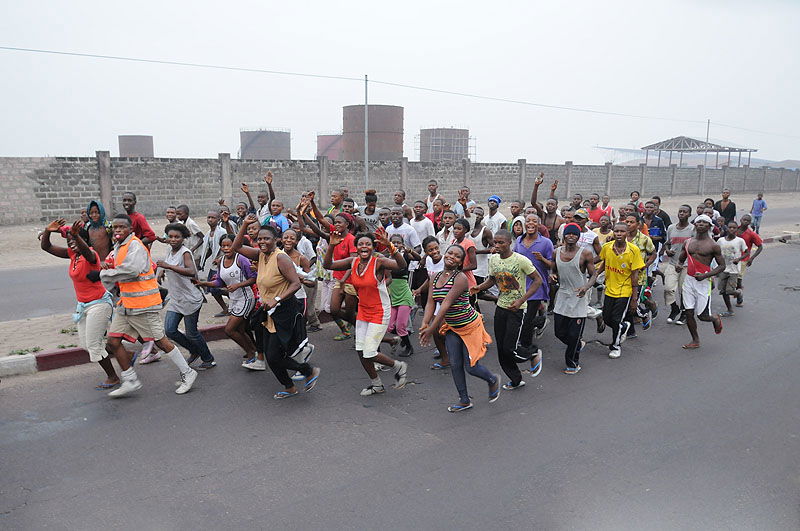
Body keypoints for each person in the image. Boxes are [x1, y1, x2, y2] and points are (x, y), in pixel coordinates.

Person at [98, 213, 198, 397]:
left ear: (130, 229)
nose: (118, 230)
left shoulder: (135, 245)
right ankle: (130, 379)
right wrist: (107, 268)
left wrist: (105, 275)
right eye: (115, 227)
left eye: (122, 227)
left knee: (161, 341)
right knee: (112, 341)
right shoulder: (119, 246)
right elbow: (113, 265)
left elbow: (132, 271)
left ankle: (188, 372)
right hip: (126, 304)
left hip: (144, 305)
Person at [232, 218, 320, 398]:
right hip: (268, 312)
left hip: (284, 311)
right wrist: (243, 225)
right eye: (260, 239)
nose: (262, 242)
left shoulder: (281, 257)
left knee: (273, 356)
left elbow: (296, 284)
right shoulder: (260, 255)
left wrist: (277, 299)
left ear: (276, 240)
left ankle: (307, 371)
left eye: (267, 239)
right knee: (271, 355)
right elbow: (237, 247)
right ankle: (291, 385)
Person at [323, 228, 409, 396]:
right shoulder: (352, 261)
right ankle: (376, 384)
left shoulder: (379, 262)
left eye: (368, 244)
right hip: (363, 311)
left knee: (370, 352)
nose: (364, 247)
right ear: (356, 248)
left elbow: (401, 265)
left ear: (373, 247)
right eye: (361, 244)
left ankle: (398, 366)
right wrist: (331, 246)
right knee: (360, 350)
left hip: (380, 311)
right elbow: (328, 265)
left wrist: (390, 246)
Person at [40, 218, 119, 389]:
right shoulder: (72, 255)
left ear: (82, 240)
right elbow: (46, 247)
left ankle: (113, 377)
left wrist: (76, 237)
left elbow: (87, 253)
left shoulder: (91, 255)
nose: (72, 244)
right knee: (86, 345)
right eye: (70, 242)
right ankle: (124, 353)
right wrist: (47, 230)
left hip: (99, 304)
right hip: (83, 306)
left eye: (75, 240)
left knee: (94, 345)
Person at [420, 244, 499, 412]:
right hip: (452, 327)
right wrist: (424, 324)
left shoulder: (460, 278)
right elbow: (431, 302)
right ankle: (464, 400)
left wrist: (432, 329)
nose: (451, 257)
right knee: (455, 364)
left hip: (469, 326)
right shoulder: (435, 276)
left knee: (471, 367)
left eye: (457, 256)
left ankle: (492, 380)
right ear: (444, 254)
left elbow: (446, 305)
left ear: (460, 262)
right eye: (449, 253)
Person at [472, 230, 542, 390]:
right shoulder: (494, 259)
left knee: (510, 348)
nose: (497, 246)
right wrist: (479, 287)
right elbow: (492, 279)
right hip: (501, 307)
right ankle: (516, 379)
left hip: (517, 309)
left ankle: (533, 353)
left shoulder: (521, 260)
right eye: (495, 242)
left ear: (510, 242)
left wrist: (521, 300)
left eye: (501, 242)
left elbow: (538, 281)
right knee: (502, 349)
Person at [158, 223, 216, 370]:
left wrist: (168, 267)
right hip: (177, 299)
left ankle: (208, 359)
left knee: (192, 333)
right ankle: (194, 350)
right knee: (170, 330)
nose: (173, 239)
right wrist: (161, 272)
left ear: (183, 238)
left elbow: (191, 271)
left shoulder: (185, 252)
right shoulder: (170, 251)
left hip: (190, 298)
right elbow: (169, 264)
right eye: (170, 236)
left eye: (177, 237)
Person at [194, 233, 259, 362]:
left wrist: (238, 285)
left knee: (229, 330)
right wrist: (204, 283)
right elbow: (219, 282)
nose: (226, 248)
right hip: (234, 299)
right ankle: (254, 350)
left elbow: (254, 278)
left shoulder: (241, 259)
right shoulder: (221, 261)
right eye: (223, 246)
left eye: (229, 245)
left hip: (246, 298)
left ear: (235, 245)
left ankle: (252, 353)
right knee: (240, 329)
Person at [551, 223, 598, 374]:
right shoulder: (556, 252)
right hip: (563, 296)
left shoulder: (585, 254)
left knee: (573, 334)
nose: (571, 236)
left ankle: (573, 363)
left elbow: (594, 275)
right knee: (559, 332)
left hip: (579, 296)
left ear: (578, 237)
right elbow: (553, 270)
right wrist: (552, 276)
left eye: (574, 234)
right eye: (568, 234)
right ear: (564, 235)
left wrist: (586, 287)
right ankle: (577, 344)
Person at [596, 222, 645, 359]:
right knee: (606, 318)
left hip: (625, 290)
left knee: (616, 319)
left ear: (627, 233)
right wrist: (595, 276)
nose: (618, 234)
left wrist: (634, 298)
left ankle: (616, 346)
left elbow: (635, 275)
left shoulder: (634, 250)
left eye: (622, 231)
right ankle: (624, 327)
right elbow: (604, 263)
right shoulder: (606, 247)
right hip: (609, 289)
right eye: (616, 231)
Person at [513, 213, 554, 374]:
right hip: (520, 286)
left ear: (539, 224)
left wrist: (542, 259)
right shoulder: (518, 241)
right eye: (528, 221)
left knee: (527, 319)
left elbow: (552, 264)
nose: (530, 223)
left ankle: (528, 347)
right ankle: (541, 321)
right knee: (523, 317)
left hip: (537, 286)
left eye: (534, 221)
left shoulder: (545, 243)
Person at [676, 215, 725, 349]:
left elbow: (722, 266)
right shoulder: (688, 242)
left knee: (703, 316)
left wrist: (705, 276)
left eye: (704, 222)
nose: (701, 224)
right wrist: (679, 265)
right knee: (688, 312)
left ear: (709, 226)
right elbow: (681, 258)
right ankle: (695, 340)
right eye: (699, 222)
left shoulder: (713, 245)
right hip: (689, 280)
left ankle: (714, 318)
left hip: (703, 282)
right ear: (695, 225)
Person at [413, 236, 450, 369]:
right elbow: (430, 279)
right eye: (430, 250)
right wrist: (419, 290)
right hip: (435, 299)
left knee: (442, 330)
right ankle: (445, 357)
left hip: (448, 300)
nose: (434, 252)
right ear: (426, 251)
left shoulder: (447, 261)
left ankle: (456, 352)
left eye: (436, 248)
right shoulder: (428, 260)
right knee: (436, 331)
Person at [387, 234, 418, 357]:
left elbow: (418, 258)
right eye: (393, 242)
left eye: (398, 242)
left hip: (404, 295)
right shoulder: (386, 258)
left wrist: (410, 250)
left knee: (400, 326)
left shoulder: (404, 256)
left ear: (402, 244)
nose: (395, 244)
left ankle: (409, 348)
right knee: (390, 327)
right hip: (392, 296)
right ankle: (405, 335)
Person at [662, 205, 694, 324]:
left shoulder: (693, 229)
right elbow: (667, 243)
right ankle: (674, 308)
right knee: (668, 288)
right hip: (672, 263)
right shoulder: (671, 228)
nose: (681, 213)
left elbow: (696, 246)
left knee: (683, 290)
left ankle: (684, 313)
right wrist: (667, 250)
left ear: (689, 215)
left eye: (685, 212)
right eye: (680, 211)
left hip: (686, 265)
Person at [199, 210, 228, 317]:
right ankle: (226, 308)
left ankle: (234, 302)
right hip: (214, 265)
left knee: (220, 288)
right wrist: (203, 260)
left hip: (223, 264)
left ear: (218, 220)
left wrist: (221, 258)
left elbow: (228, 247)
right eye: (209, 217)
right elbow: (210, 249)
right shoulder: (208, 234)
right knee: (213, 289)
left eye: (213, 217)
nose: (210, 219)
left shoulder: (222, 232)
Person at [717, 220, 747, 316]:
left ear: (737, 229)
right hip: (723, 268)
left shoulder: (740, 241)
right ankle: (730, 310)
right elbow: (716, 253)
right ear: (727, 228)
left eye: (734, 228)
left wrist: (739, 259)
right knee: (723, 291)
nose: (731, 229)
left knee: (729, 290)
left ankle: (738, 293)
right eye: (730, 227)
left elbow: (747, 252)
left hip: (734, 270)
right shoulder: (721, 240)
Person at [736, 214, 763, 307]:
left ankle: (739, 296)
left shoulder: (751, 234)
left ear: (750, 222)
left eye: (747, 220)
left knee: (738, 279)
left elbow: (760, 247)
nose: (745, 222)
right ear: (740, 219)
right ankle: (735, 291)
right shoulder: (734, 229)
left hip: (743, 259)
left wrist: (752, 258)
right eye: (744, 219)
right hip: (732, 258)